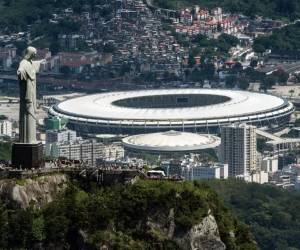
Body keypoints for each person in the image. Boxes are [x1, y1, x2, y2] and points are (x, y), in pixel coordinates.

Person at [17, 47, 46, 144]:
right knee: (28, 115)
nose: (35, 55)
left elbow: (33, 64)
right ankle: (27, 140)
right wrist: (20, 71)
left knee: (32, 114)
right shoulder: (24, 63)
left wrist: (40, 61)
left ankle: (31, 139)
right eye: (34, 53)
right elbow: (21, 69)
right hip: (27, 94)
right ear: (30, 53)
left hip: (32, 92)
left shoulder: (29, 62)